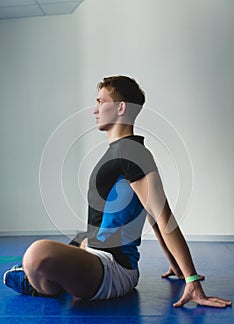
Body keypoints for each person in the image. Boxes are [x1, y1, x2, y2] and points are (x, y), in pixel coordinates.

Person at [3, 76, 231, 307]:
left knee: (37, 253)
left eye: (101, 101)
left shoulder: (134, 154)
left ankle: (40, 285)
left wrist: (191, 280)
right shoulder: (121, 151)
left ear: (121, 107)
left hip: (113, 268)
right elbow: (150, 216)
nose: (95, 109)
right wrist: (175, 265)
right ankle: (41, 277)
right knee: (80, 238)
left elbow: (163, 217)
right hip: (98, 256)